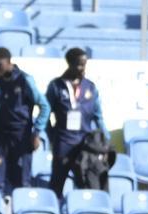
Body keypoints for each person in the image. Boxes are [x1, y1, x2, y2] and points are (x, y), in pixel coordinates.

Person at [0, 48, 49, 198]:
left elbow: (45, 106)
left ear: (9, 63)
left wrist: (36, 132)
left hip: (21, 136)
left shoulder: (24, 80)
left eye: (0, 65)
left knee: (22, 181)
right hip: (2, 137)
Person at [45, 48, 106, 198]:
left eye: (84, 64)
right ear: (70, 64)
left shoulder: (90, 87)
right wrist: (52, 136)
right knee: (56, 185)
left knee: (86, 185)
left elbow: (98, 116)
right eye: (79, 64)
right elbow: (45, 114)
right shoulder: (56, 86)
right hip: (64, 144)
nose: (83, 68)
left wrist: (105, 140)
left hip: (84, 145)